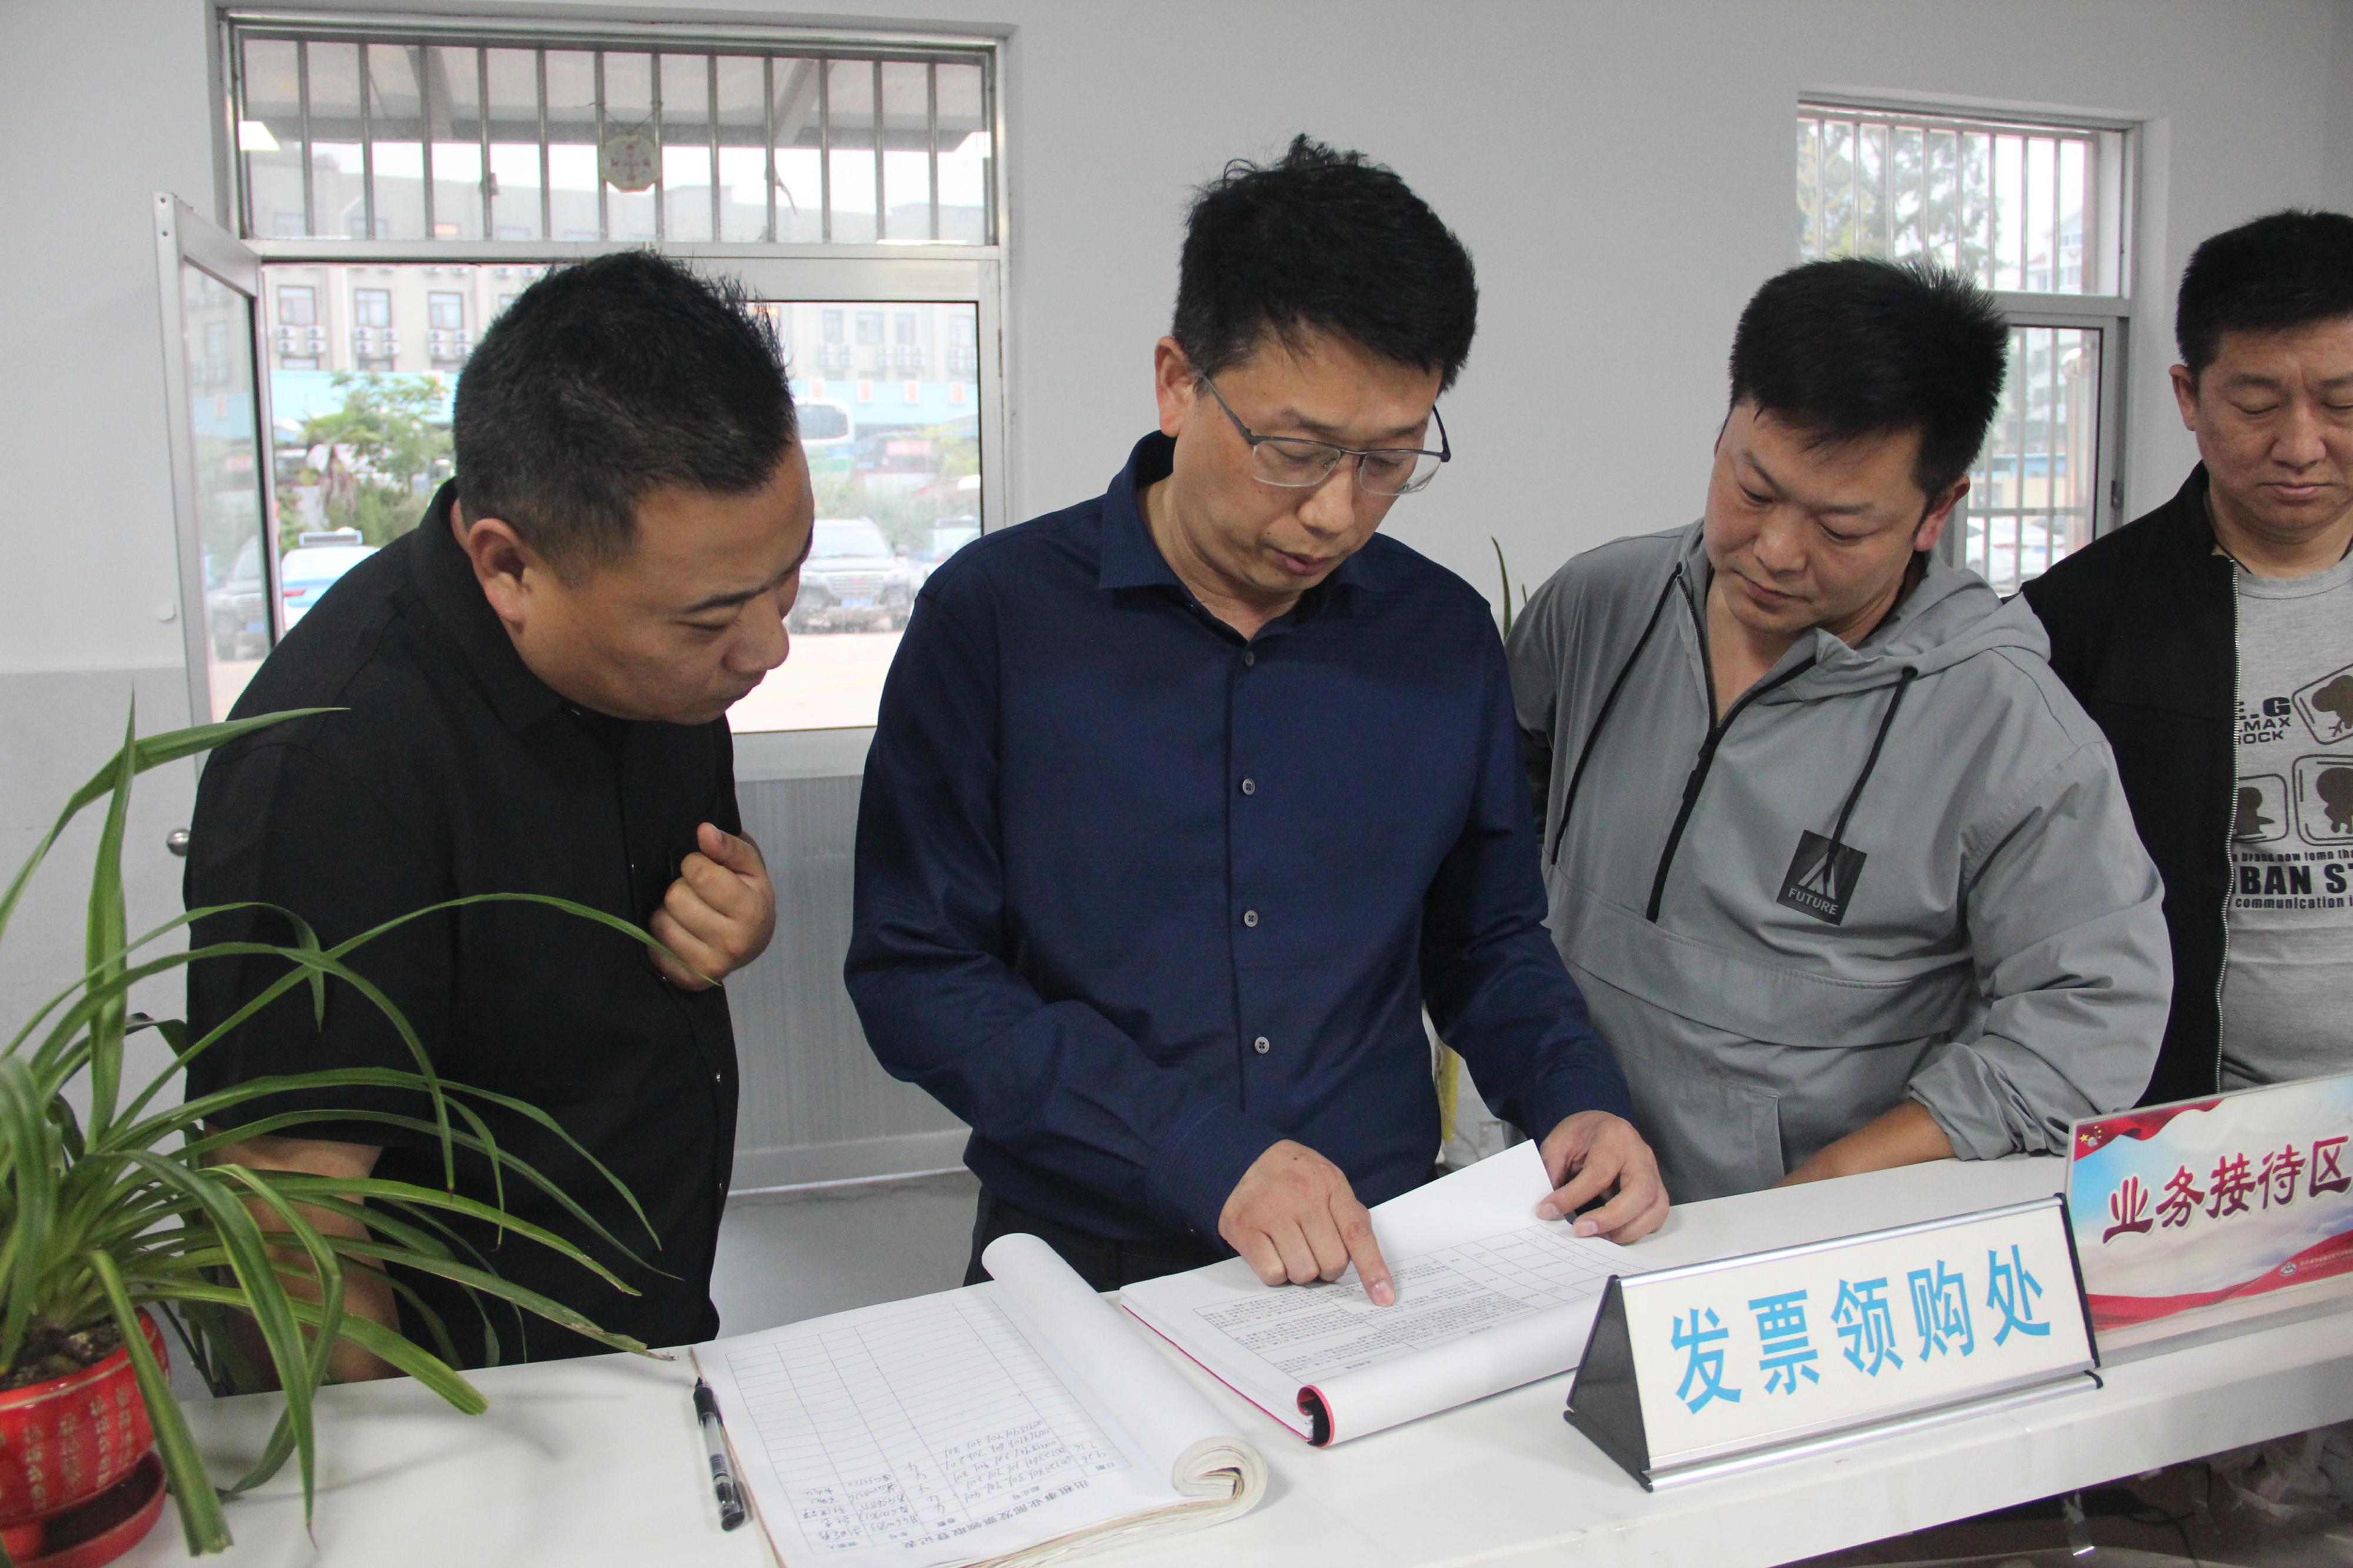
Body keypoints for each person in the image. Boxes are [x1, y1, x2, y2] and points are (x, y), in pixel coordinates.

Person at [846, 136, 1666, 1300]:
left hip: (1379, 1249)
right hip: (1084, 1257)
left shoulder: (1439, 638)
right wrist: (1189, 1144)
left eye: (1386, 460)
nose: (1335, 511)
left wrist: (1572, 1096)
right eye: (1294, 451)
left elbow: (1485, 939)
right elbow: (919, 973)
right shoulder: (994, 620)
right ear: (1178, 381)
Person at [184, 251, 809, 1373]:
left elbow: (654, 913)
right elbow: (288, 1220)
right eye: (714, 617)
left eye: (789, 577)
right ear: (509, 566)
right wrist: (404, 1467)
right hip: (471, 1396)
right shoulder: (333, 768)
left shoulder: (662, 663)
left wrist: (738, 917)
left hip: (648, 1331)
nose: (768, 647)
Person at [1508, 258, 2171, 1203]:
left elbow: (2092, 1020)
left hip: (1806, 1239)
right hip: (1562, 1192)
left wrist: (1825, 1191)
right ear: (1724, 432)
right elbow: (1494, 821)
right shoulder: (1601, 605)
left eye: (1842, 527)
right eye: (1754, 491)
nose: (1777, 551)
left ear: (1937, 512)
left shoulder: (2005, 726)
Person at [2024, 209, 2353, 1102]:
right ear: (2188, 395)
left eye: (2342, 403)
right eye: (2256, 405)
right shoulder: (2076, 622)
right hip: (2193, 1122)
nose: (2301, 446)